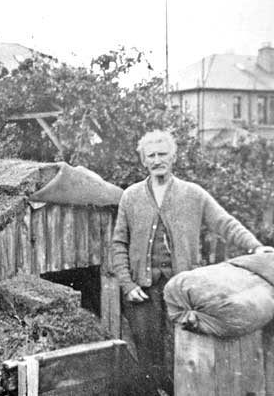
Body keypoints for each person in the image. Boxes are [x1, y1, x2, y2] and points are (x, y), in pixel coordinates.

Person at [111, 130, 274, 394]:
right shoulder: (130, 196)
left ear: (173, 157)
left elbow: (225, 223)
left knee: (185, 351)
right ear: (143, 161)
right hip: (143, 291)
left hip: (182, 291)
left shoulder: (193, 194)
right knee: (147, 356)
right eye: (150, 155)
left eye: (162, 154)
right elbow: (118, 244)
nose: (156, 160)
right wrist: (128, 284)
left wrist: (255, 246)